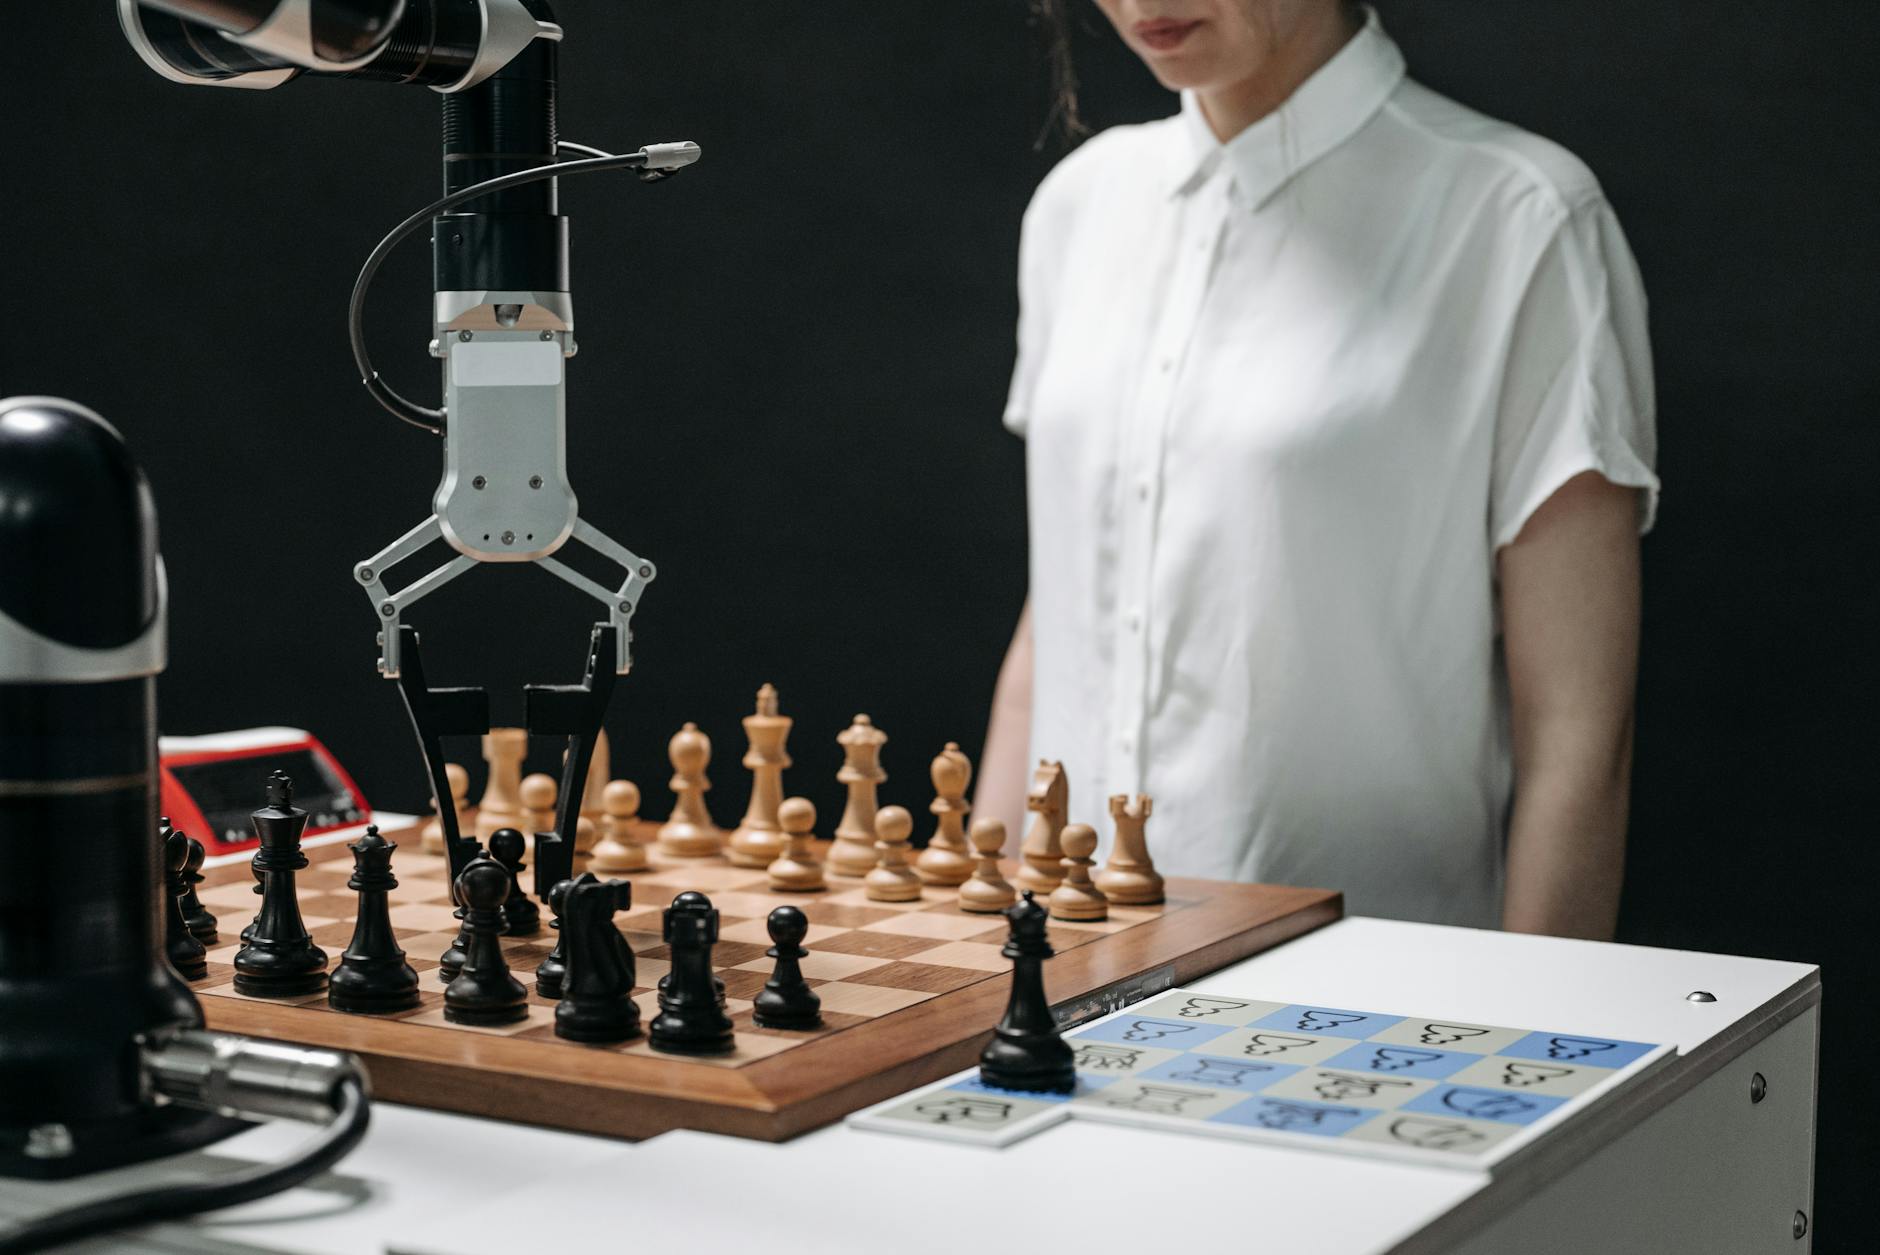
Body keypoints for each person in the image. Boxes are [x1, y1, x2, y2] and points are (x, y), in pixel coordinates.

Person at [976, 0, 1658, 938]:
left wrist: (1536, 1046)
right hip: (1058, 965)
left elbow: (1580, 739)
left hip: (1366, 994)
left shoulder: (1517, 215)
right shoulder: (1079, 206)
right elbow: (1060, 619)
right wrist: (974, 940)